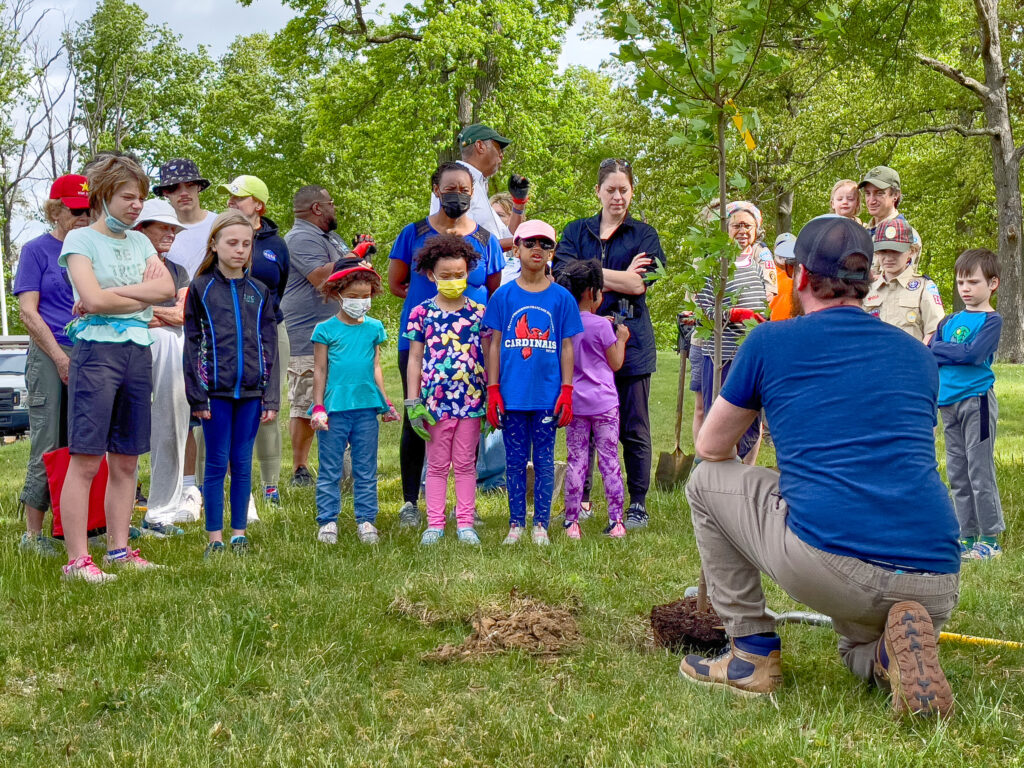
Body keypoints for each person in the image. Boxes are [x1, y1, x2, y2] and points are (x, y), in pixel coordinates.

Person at [679, 215, 958, 719]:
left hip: (836, 565)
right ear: (869, 280)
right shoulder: (918, 355)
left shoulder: (770, 342)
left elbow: (711, 447)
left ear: (799, 276)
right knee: (853, 645)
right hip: (937, 575)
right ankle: (883, 655)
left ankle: (751, 654)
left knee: (705, 481)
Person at [58, 155, 176, 583]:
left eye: (141, 198)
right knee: (87, 459)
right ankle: (77, 560)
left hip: (136, 351)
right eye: (128, 196)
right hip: (97, 354)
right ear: (104, 195)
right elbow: (92, 301)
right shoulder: (80, 242)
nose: (137, 206)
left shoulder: (142, 242)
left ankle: (119, 550)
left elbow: (165, 290)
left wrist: (115, 293)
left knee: (126, 460)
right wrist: (133, 297)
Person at [388, 161, 504, 527]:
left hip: (473, 345)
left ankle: (465, 507)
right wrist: (435, 312)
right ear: (436, 190)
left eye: (465, 189)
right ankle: (411, 501)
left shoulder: (485, 239)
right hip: (424, 342)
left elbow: (495, 291)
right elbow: (396, 283)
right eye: (450, 187)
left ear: (474, 193)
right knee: (418, 418)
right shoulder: (414, 232)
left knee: (472, 420)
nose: (458, 194)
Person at [553, 159, 666, 529]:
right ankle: (581, 500)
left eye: (625, 190)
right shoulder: (575, 231)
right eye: (611, 189)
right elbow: (563, 276)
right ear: (598, 191)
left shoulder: (644, 235)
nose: (618, 197)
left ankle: (636, 504)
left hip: (628, 338)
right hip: (582, 344)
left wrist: (592, 273)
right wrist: (621, 276)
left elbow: (640, 285)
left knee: (633, 427)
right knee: (582, 423)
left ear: (632, 192)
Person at [183, 211, 278, 557]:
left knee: (242, 463)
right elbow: (191, 345)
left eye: (246, 244)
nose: (239, 250)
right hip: (215, 394)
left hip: (252, 393)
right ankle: (215, 538)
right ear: (214, 244)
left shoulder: (261, 291)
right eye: (231, 243)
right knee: (216, 463)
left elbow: (269, 346)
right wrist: (197, 395)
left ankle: (239, 533)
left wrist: (271, 397)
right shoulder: (200, 289)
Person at [484, 220, 583, 546]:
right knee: (513, 462)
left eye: (544, 244)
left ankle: (540, 523)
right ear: (516, 248)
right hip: (511, 396)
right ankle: (516, 523)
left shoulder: (562, 298)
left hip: (546, 395)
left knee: (542, 461)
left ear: (552, 251)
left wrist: (567, 390)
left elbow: (567, 346)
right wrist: (493, 389)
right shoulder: (503, 296)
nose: (537, 249)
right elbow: (494, 343)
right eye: (530, 243)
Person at [14, 175, 90, 556]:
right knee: (48, 439)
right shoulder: (36, 250)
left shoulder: (91, 248)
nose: (82, 216)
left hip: (91, 349)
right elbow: (28, 312)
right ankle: (32, 532)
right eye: (75, 210)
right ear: (55, 210)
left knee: (87, 440)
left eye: (88, 210)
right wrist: (60, 357)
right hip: (50, 350)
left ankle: (82, 525)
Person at [404, 235, 489, 546]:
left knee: (466, 464)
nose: (453, 280)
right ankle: (435, 524)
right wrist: (413, 401)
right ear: (431, 275)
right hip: (434, 404)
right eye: (446, 276)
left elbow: (488, 355)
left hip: (471, 402)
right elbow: (414, 358)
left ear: (468, 273)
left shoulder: (480, 313)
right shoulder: (421, 313)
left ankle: (466, 522)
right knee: (437, 465)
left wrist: (492, 397)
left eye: (459, 275)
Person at [310, 257, 398, 546]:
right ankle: (328, 521)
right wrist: (318, 406)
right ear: (337, 294)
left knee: (366, 468)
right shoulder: (325, 330)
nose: (360, 302)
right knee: (330, 468)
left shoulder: (374, 328)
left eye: (365, 296)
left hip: (366, 408)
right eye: (353, 297)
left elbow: (375, 367)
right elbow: (320, 369)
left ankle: (366, 520)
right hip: (334, 410)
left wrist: (385, 403)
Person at [281, 185, 365, 488]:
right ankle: (300, 469)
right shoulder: (299, 238)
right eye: (331, 203)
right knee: (306, 404)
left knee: (342, 400)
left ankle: (345, 468)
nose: (334, 209)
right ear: (317, 208)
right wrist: (355, 256)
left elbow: (353, 271)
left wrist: (359, 259)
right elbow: (321, 277)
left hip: (341, 333)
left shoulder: (331, 238)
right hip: (308, 334)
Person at [929, 248, 1005, 561]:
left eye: (973, 282)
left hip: (977, 402)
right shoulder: (949, 320)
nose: (965, 288)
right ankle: (967, 536)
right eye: (961, 282)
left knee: (979, 470)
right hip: (948, 403)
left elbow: (973, 355)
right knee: (958, 472)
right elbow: (933, 349)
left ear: (993, 284)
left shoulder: (992, 320)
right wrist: (954, 350)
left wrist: (950, 350)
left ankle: (990, 539)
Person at [153, 158, 216, 521]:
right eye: (174, 188)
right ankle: (184, 487)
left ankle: (214, 487)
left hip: (208, 322)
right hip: (169, 338)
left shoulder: (214, 224)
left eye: (189, 185)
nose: (183, 192)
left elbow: (178, 310)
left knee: (207, 409)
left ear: (198, 188)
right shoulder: (156, 238)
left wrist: (146, 313)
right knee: (176, 414)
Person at [222, 175, 290, 506]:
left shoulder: (276, 245)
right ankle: (224, 481)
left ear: (258, 205)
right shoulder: (220, 236)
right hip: (226, 333)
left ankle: (270, 486)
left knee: (268, 407)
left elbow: (281, 286)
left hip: (271, 330)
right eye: (230, 197)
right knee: (223, 404)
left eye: (239, 197)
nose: (231, 202)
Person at [555, 259, 630, 540]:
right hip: (605, 405)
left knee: (576, 460)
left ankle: (571, 522)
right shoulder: (602, 326)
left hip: (575, 403)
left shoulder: (565, 324)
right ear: (591, 292)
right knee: (609, 461)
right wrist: (621, 338)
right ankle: (617, 522)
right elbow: (615, 362)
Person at [693, 203, 768, 464]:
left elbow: (765, 305)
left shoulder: (758, 266)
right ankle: (712, 477)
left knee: (750, 419)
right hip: (720, 358)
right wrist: (733, 314)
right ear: (726, 230)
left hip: (751, 357)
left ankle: (743, 476)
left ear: (756, 231)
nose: (742, 231)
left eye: (748, 226)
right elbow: (703, 313)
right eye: (737, 225)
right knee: (720, 419)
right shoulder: (715, 267)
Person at [133, 199, 191, 536]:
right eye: (163, 227)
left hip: (171, 352)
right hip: (127, 350)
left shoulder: (178, 270)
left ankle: (161, 512)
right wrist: (152, 314)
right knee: (123, 432)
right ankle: (114, 517)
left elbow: (184, 315)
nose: (170, 233)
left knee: (172, 424)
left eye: (174, 228)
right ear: (142, 228)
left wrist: (147, 313)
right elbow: (119, 309)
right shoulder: (125, 263)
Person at [429, 123, 527, 251]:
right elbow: (457, 241)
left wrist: (518, 204)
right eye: (498, 148)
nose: (501, 155)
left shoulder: (478, 185)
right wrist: (526, 240)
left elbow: (507, 236)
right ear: (480, 146)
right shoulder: (453, 182)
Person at [862, 218, 944, 344]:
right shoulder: (867, 289)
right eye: (883, 251)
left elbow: (934, 332)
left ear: (911, 251)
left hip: (910, 361)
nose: (889, 257)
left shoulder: (924, 288)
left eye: (895, 251)